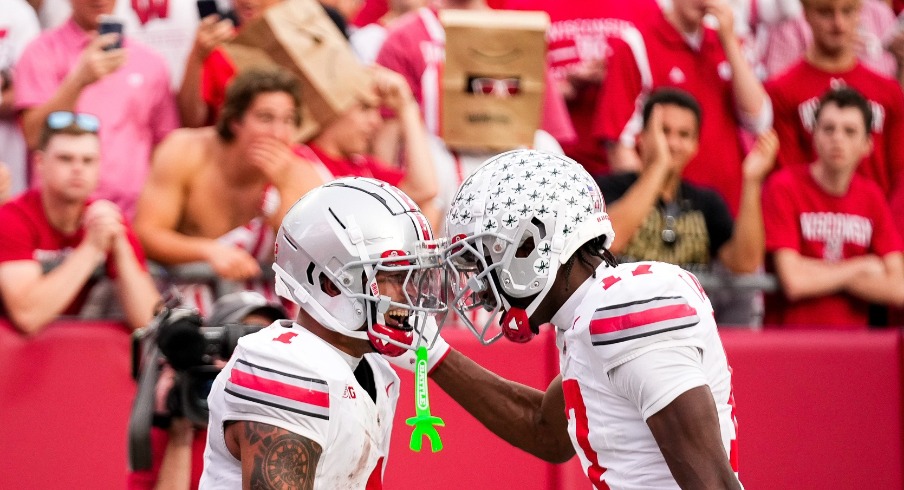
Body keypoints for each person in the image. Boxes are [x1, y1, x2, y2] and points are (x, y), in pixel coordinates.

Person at [423, 149, 742, 488]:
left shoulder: (625, 310)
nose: (480, 287)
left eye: (484, 259)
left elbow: (713, 484)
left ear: (532, 245)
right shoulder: (587, 318)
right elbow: (543, 430)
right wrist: (429, 352)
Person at [199, 177, 449, 488]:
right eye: (395, 276)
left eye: (414, 275)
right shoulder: (284, 367)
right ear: (332, 284)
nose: (410, 293)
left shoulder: (373, 371)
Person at [133, 68, 323, 315]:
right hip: (184, 302)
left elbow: (304, 258)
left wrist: (284, 186)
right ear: (235, 121)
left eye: (287, 120)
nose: (278, 134)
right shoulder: (183, 152)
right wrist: (208, 251)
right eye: (266, 118)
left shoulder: (300, 172)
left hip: (263, 313)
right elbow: (146, 233)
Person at [595, 0, 771, 214]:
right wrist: (654, 210)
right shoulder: (636, 43)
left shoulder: (726, 42)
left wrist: (729, 43)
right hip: (667, 213)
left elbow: (758, 118)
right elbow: (619, 144)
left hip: (724, 206)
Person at [14, 0, 179, 219]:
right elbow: (35, 136)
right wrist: (79, 80)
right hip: (57, 220)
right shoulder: (41, 51)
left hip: (131, 217)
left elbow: (166, 146)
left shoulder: (151, 62)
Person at [0, 111, 160, 335]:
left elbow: (148, 322)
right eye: (65, 158)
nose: (78, 169)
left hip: (73, 353)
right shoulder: (11, 217)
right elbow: (28, 316)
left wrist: (120, 248)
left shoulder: (107, 220)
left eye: (88, 160)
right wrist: (91, 248)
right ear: (39, 162)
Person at [762, 87, 904, 328]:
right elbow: (794, 281)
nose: (837, 138)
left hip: (854, 348)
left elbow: (899, 287)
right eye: (828, 129)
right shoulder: (783, 186)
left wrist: (814, 271)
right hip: (790, 344)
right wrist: (860, 268)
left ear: (867, 144)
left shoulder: (871, 196)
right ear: (814, 135)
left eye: (849, 131)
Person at [599, 88, 777, 275]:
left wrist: (752, 181)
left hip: (685, 305)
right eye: (664, 131)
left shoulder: (708, 202)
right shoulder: (608, 188)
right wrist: (659, 165)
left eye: (684, 135)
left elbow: (745, 264)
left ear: (695, 145)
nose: (673, 144)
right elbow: (609, 241)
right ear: (641, 137)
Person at [128, 291, 288, 490]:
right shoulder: (185, 411)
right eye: (242, 338)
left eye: (268, 339)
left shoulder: (291, 414)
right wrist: (180, 435)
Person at [765, 0, 904, 202]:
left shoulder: (888, 92)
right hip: (810, 225)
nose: (838, 23)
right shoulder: (781, 91)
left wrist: (889, 228)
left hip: (876, 225)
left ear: (860, 13)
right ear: (805, 14)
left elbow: (900, 174)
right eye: (825, 13)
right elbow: (786, 178)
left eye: (847, 11)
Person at [295, 66, 438, 221]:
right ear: (331, 106)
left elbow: (425, 189)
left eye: (377, 110)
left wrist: (406, 107)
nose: (376, 122)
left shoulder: (364, 166)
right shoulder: (297, 159)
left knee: (430, 209)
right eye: (365, 108)